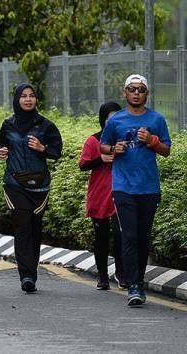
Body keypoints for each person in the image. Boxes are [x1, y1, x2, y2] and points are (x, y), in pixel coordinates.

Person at [100, 74, 171, 306]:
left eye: (141, 89)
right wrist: (114, 148)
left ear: (146, 94)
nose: (136, 93)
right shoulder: (115, 120)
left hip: (148, 187)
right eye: (132, 89)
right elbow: (103, 145)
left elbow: (166, 150)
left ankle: (139, 282)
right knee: (129, 234)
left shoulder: (157, 119)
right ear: (125, 93)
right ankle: (132, 285)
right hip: (123, 187)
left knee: (142, 237)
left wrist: (151, 140)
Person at [0, 84, 63, 293]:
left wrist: (43, 149)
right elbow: (0, 146)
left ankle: (31, 273)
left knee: (34, 228)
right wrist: (0, 152)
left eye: (31, 96)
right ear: (17, 100)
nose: (27, 99)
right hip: (14, 183)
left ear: (36, 100)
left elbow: (57, 151)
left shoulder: (45, 125)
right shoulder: (8, 125)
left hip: (39, 186)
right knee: (22, 224)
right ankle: (26, 276)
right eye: (23, 96)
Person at [79, 102, 125, 290]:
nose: (112, 121)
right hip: (99, 195)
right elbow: (83, 165)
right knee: (102, 237)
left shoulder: (124, 140)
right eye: (109, 118)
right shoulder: (93, 141)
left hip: (122, 194)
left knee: (121, 236)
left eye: (117, 117)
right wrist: (101, 159)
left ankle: (122, 274)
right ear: (103, 119)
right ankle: (102, 276)